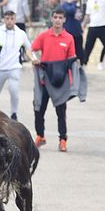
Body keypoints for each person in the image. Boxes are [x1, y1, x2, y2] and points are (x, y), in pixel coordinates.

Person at [31, 9, 77, 152]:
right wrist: (34, 59)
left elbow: (71, 60)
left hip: (60, 80)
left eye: (60, 18)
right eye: (55, 17)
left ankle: (62, 140)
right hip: (45, 78)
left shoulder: (68, 38)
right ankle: (40, 136)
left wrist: (72, 81)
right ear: (52, 19)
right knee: (39, 108)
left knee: (61, 112)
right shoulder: (44, 36)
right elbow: (31, 49)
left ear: (64, 20)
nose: (57, 20)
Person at [0, 10, 33, 122]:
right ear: (4, 19)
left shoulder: (21, 34)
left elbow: (30, 49)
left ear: (15, 20)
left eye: (12, 19)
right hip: (0, 68)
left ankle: (14, 114)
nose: (9, 21)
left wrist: (34, 59)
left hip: (15, 68)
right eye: (7, 19)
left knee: (14, 90)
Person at [60, 0, 86, 64]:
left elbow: (79, 18)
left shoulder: (77, 7)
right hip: (69, 32)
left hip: (77, 33)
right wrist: (74, 2)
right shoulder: (65, 5)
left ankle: (80, 65)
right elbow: (70, 11)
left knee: (79, 51)